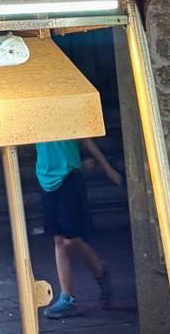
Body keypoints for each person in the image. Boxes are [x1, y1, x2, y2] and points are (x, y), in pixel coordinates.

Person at [36, 137, 121, 320]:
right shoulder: (36, 115)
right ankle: (67, 299)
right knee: (59, 240)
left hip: (68, 178)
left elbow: (87, 140)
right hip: (45, 178)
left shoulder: (67, 114)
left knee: (71, 239)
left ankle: (100, 271)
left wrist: (108, 169)